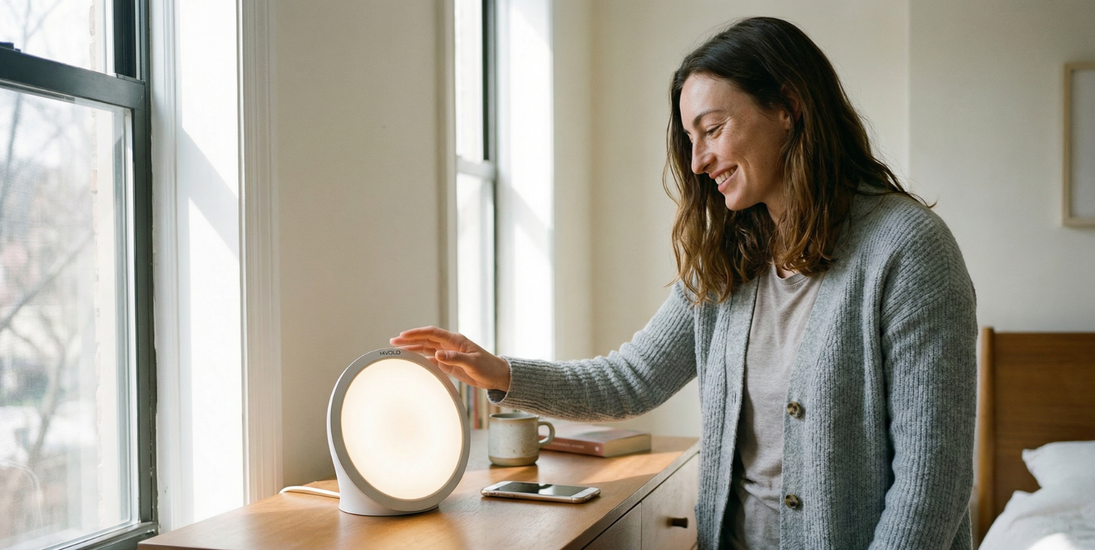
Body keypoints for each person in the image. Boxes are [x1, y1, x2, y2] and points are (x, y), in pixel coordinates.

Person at [392, 16, 976, 550]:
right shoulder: (729, 257)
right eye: (690, 139)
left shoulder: (908, 250)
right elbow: (630, 380)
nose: (697, 161)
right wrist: (501, 373)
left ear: (788, 106)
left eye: (713, 129)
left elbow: (930, 485)